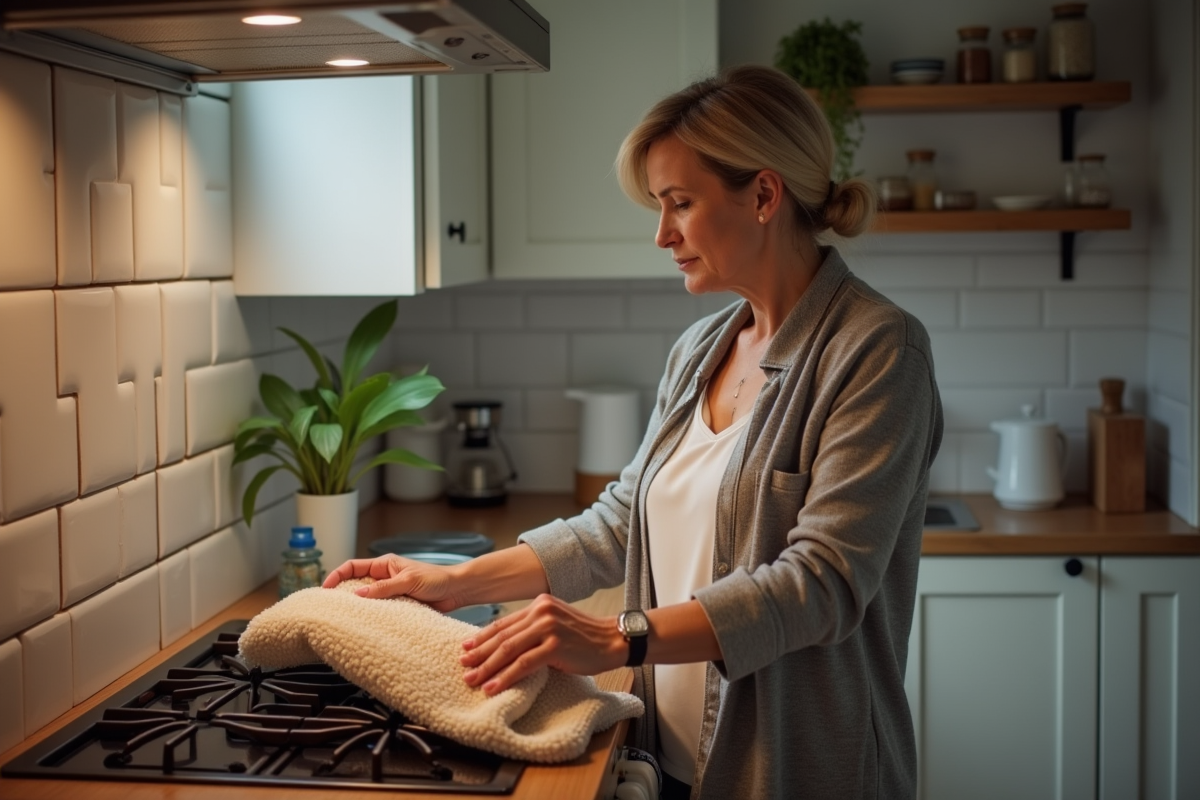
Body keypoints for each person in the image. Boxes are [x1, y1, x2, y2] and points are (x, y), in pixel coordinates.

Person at [324, 64, 943, 800]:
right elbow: (621, 522)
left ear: (765, 195)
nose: (661, 234)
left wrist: (622, 636)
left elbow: (823, 584)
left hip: (794, 769)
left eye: (680, 203)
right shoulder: (700, 350)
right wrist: (455, 584)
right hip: (668, 759)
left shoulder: (876, 349)